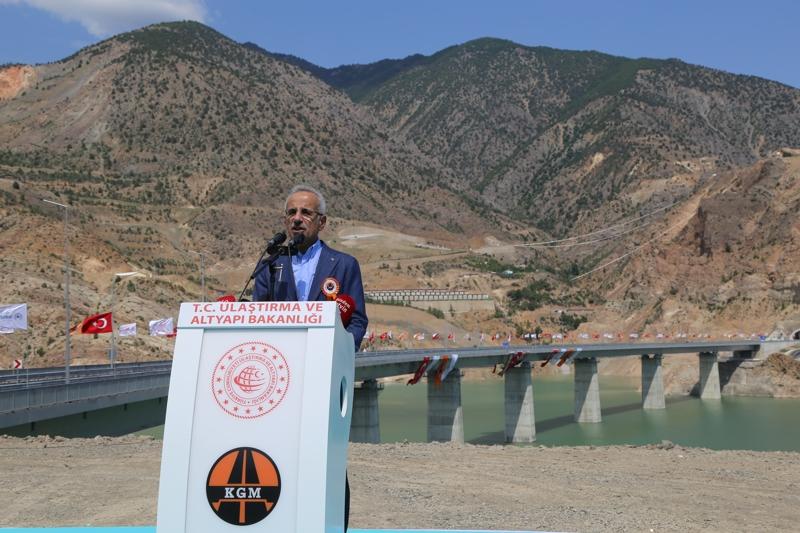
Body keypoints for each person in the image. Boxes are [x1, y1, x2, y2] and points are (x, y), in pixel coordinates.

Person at [252, 183, 367, 530]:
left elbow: (357, 321)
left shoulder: (344, 265)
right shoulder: (271, 265)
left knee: (327, 460)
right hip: (278, 382)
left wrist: (340, 357)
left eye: (305, 212)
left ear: (322, 222)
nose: (297, 218)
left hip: (323, 380)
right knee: (278, 456)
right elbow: (255, 318)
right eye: (291, 213)